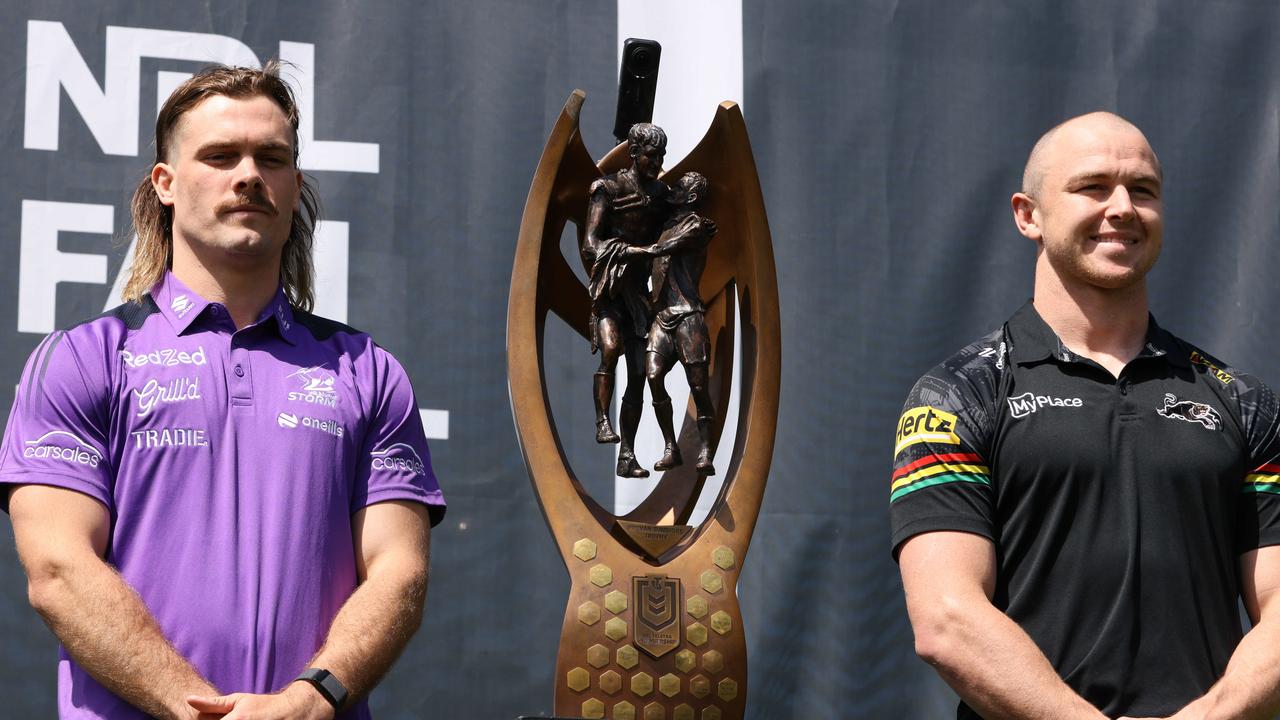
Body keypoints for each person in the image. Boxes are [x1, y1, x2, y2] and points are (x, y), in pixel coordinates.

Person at [0, 63, 445, 720]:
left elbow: (399, 574)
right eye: (219, 155)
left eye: (271, 158)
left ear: (294, 187)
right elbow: (60, 571)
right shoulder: (82, 360)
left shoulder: (368, 372)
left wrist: (311, 698)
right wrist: (199, 710)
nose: (248, 174)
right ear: (166, 184)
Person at [890, 111, 1280, 719]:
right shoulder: (959, 392)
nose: (1122, 207)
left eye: (1143, 190)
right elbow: (946, 618)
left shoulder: (1242, 400)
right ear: (1029, 215)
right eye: (1092, 187)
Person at [581, 122, 670, 478]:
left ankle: (627, 455)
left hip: (638, 296)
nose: (657, 161)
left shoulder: (661, 195)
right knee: (610, 348)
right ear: (634, 153)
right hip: (609, 290)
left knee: (638, 374)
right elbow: (591, 243)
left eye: (661, 156)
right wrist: (631, 251)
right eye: (651, 155)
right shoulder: (608, 189)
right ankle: (602, 420)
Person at [641, 172, 718, 475]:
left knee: (698, 386)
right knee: (653, 376)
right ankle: (671, 446)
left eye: (680, 187)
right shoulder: (665, 227)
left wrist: (637, 250)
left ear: (692, 197)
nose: (673, 190)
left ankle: (706, 449)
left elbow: (666, 249)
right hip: (662, 318)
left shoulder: (696, 226)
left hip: (688, 315)